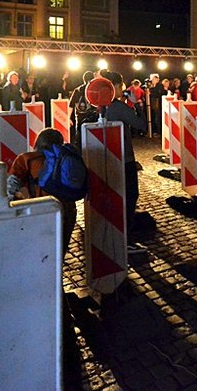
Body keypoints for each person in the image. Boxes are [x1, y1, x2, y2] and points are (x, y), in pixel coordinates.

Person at [6, 128, 78, 260]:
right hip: (68, 211)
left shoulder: (26, 159)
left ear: (37, 143)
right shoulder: (67, 159)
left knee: (41, 257)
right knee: (58, 255)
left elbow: (11, 185)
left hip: (42, 211)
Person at [102, 71, 148, 254]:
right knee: (130, 197)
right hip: (125, 158)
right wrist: (137, 104)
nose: (123, 89)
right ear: (113, 87)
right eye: (121, 85)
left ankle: (115, 235)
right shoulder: (118, 107)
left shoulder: (102, 107)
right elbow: (142, 125)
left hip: (109, 158)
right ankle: (126, 240)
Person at [68, 71, 96, 144]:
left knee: (80, 137)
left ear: (84, 79)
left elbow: (71, 105)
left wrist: (68, 118)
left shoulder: (77, 90)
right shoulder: (94, 90)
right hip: (93, 117)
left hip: (80, 118)